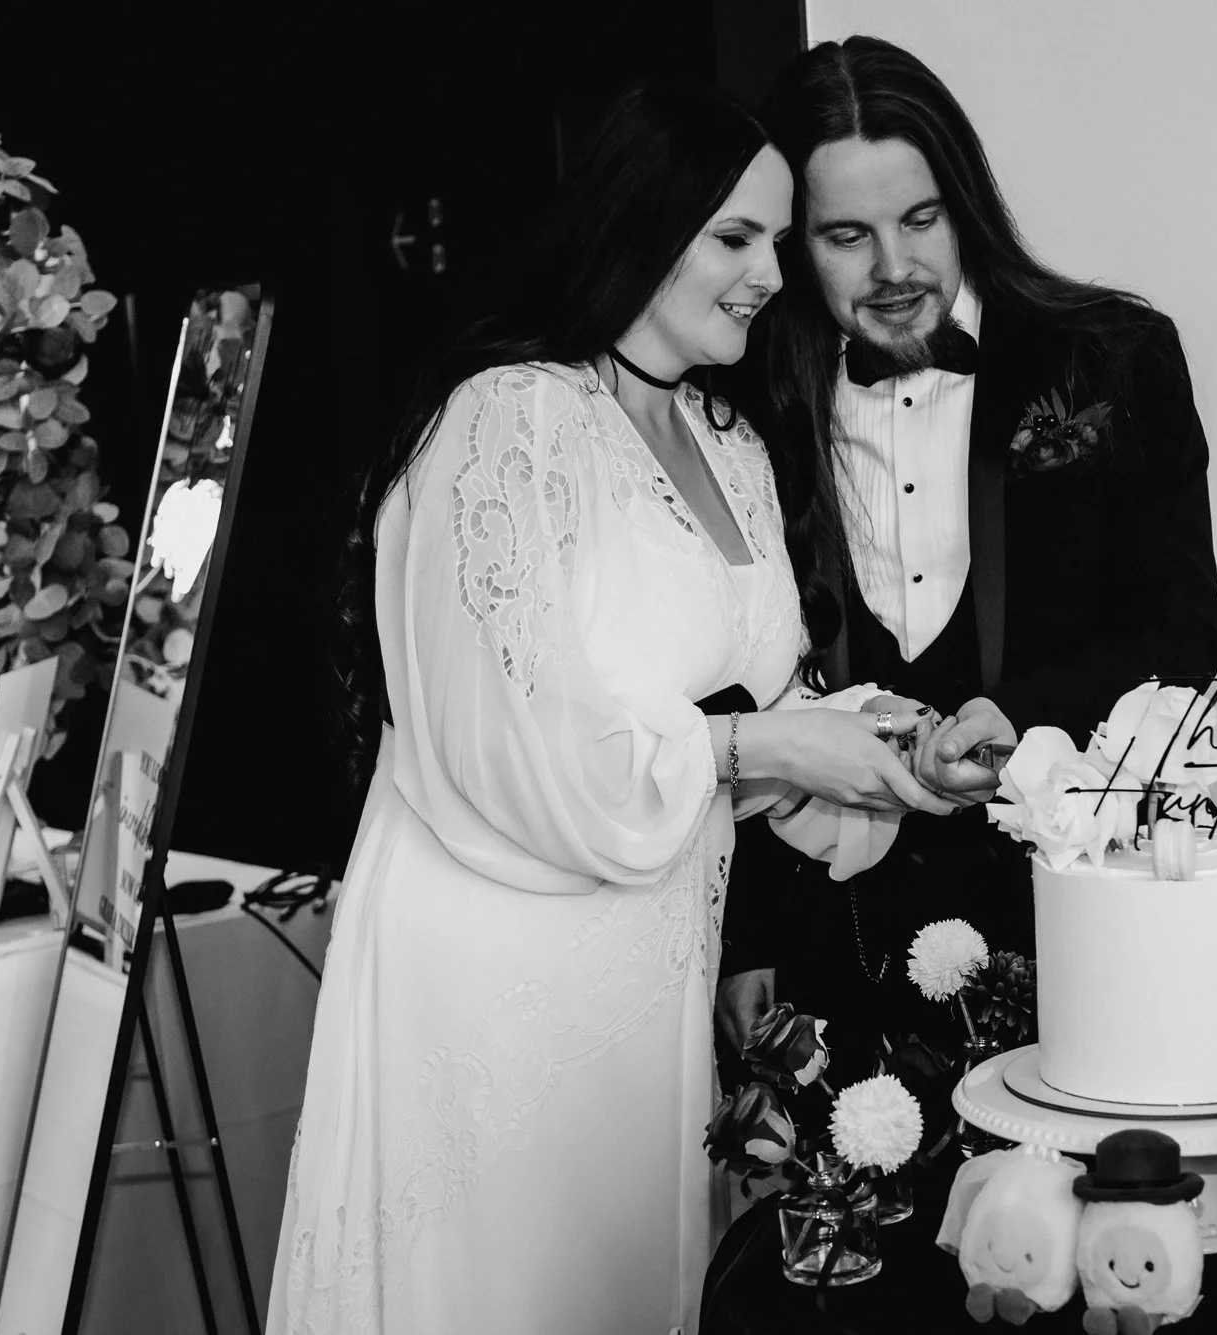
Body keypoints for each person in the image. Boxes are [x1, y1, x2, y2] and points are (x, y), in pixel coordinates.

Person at [273, 82, 956, 1335]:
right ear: (639, 226)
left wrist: (900, 754)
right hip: (499, 973)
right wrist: (761, 742)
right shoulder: (509, 421)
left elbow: (748, 717)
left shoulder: (729, 441)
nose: (765, 276)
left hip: (652, 971)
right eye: (731, 239)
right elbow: (511, 744)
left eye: (773, 241)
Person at [716, 37, 1217, 1076]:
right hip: (836, 932)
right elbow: (741, 687)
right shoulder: (749, 402)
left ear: (965, 202)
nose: (894, 270)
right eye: (846, 236)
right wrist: (748, 939)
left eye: (919, 219)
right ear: (792, 245)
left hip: (1060, 906)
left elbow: (1180, 636)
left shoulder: (1112, 362)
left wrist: (1023, 711)